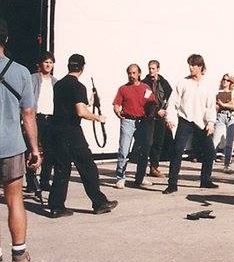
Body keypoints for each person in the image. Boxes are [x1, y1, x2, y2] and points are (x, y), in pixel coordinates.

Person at [48, 53, 118, 218]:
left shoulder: (58, 84)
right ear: (82, 67)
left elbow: (70, 105)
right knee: (88, 168)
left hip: (57, 130)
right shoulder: (78, 86)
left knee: (62, 169)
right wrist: (97, 117)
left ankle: (56, 206)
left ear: (69, 66)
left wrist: (90, 102)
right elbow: (80, 111)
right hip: (72, 131)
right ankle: (99, 202)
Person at [0, 17, 41, 262]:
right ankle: (18, 257)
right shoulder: (20, 71)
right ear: (5, 39)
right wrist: (35, 149)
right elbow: (28, 114)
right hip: (12, 146)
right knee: (14, 200)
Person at [163, 54, 217, 194]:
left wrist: (210, 122)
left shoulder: (208, 85)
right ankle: (172, 184)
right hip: (185, 121)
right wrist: (169, 118)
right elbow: (172, 103)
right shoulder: (183, 83)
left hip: (202, 123)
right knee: (177, 150)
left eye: (194, 65)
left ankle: (205, 180)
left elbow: (211, 106)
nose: (191, 67)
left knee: (210, 152)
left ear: (200, 67)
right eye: (190, 65)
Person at [112, 64, 156, 189]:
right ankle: (120, 177)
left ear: (139, 74)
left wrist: (151, 115)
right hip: (128, 121)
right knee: (124, 150)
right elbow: (116, 104)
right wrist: (117, 112)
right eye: (129, 73)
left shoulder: (145, 88)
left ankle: (140, 177)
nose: (131, 75)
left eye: (134, 73)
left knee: (143, 151)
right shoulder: (123, 89)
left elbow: (151, 102)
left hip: (142, 122)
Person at [28, 51, 57, 199]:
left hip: (50, 119)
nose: (48, 65)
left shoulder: (55, 82)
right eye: (46, 62)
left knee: (50, 151)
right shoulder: (33, 79)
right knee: (34, 150)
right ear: (40, 64)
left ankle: (45, 180)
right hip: (36, 118)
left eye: (51, 63)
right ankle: (32, 182)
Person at [141, 59, 172, 178]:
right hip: (149, 116)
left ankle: (154, 167)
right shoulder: (145, 83)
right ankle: (142, 168)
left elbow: (170, 96)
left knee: (158, 142)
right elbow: (145, 100)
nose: (151, 71)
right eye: (149, 68)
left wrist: (165, 110)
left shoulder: (163, 82)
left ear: (158, 69)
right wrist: (155, 111)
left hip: (161, 116)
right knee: (147, 142)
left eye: (153, 68)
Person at [212, 74, 234, 173]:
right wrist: (225, 105)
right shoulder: (217, 92)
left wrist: (223, 104)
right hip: (221, 116)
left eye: (227, 80)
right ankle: (210, 161)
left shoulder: (233, 92)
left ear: (230, 82)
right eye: (224, 79)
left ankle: (227, 164)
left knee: (229, 141)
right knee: (215, 140)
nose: (225, 81)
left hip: (231, 116)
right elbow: (214, 105)